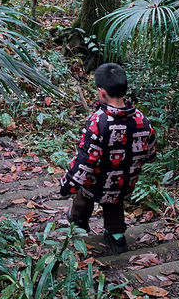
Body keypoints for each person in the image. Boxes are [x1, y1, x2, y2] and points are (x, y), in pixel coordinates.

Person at [59, 62, 157, 253]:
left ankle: (78, 221)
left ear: (101, 92)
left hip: (97, 182)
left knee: (85, 192)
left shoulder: (99, 122)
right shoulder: (142, 120)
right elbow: (150, 153)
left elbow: (85, 159)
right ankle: (117, 236)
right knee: (114, 202)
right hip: (124, 182)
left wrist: (68, 183)